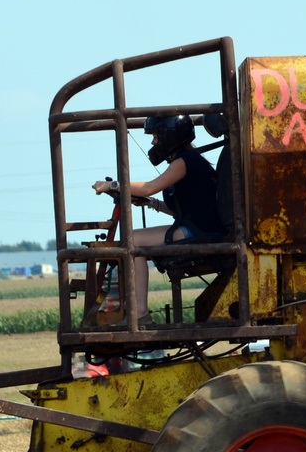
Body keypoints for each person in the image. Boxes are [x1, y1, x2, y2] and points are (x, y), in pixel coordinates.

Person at [90, 116, 226, 322]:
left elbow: (148, 187)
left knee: (132, 240)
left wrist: (113, 185)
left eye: (155, 136)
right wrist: (152, 203)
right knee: (133, 239)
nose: (153, 142)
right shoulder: (190, 159)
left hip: (201, 231)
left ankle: (139, 312)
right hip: (200, 227)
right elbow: (181, 210)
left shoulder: (184, 162)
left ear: (169, 136)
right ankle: (132, 307)